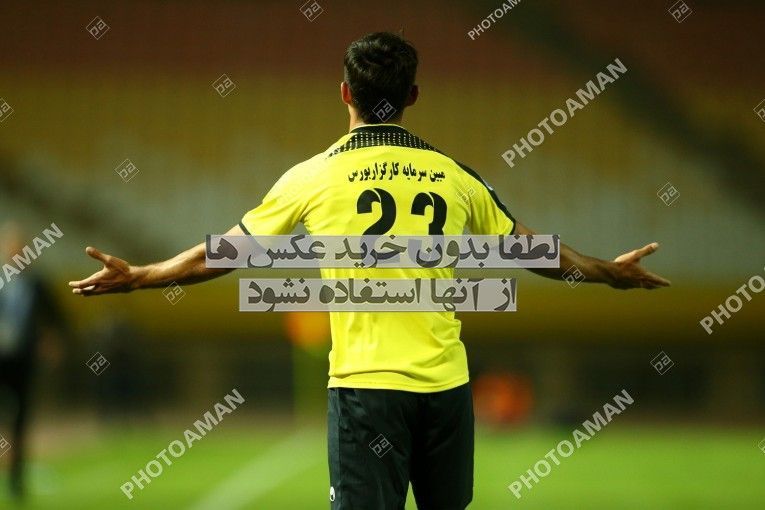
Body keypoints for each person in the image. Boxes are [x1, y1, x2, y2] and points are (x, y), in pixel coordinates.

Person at [68, 32, 670, 510]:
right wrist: (609, 272)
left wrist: (141, 275)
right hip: (445, 391)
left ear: (344, 93)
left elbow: (222, 255)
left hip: (365, 389)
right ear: (413, 95)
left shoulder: (313, 176)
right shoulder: (456, 176)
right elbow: (534, 252)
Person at [0, 222, 64, 501]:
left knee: (20, 421)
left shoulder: (38, 284)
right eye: (11, 249)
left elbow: (56, 319)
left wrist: (51, 340)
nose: (15, 253)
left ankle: (16, 482)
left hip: (22, 361)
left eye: (20, 249)